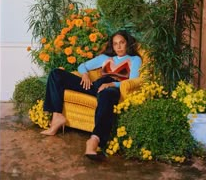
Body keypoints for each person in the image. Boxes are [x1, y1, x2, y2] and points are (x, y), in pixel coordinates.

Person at [41, 30, 142, 160]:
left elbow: (132, 81)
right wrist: (85, 74)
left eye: (121, 42)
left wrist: (112, 84)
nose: (118, 46)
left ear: (127, 43)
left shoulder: (134, 59)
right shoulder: (105, 58)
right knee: (56, 74)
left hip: (113, 88)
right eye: (115, 43)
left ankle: (94, 140)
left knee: (106, 95)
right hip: (96, 85)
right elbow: (82, 66)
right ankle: (57, 116)